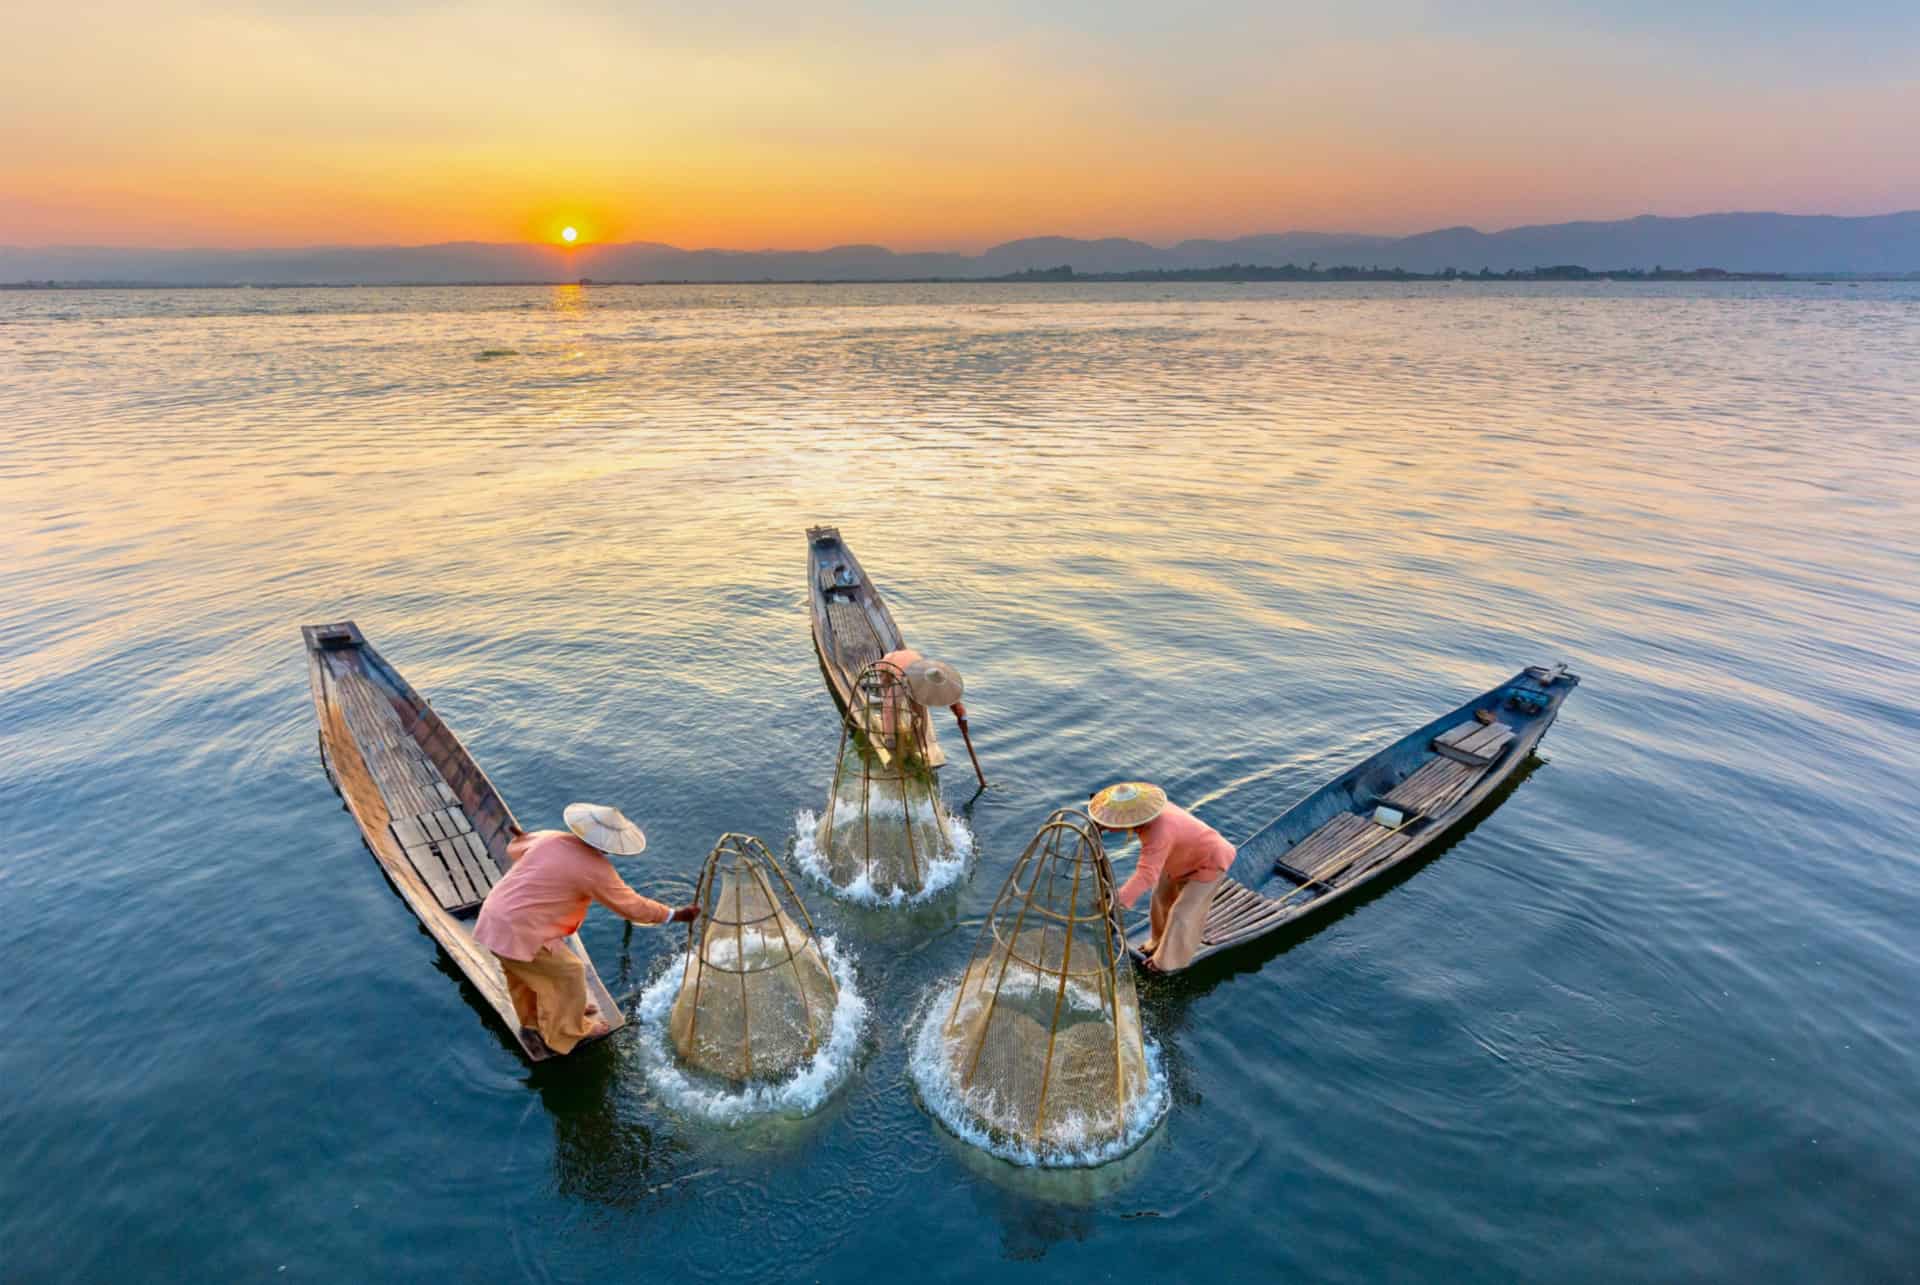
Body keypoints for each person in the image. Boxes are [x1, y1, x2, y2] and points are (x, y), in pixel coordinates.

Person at [473, 802, 699, 1055]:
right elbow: (632, 906)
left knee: (524, 974)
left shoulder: (552, 838)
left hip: (494, 916)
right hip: (519, 929)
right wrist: (675, 914)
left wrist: (524, 838)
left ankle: (537, 1019)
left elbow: (518, 846)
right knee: (569, 972)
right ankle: (568, 1033)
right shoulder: (596, 870)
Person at [1089, 782, 1235, 973]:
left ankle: (1166, 962)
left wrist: (1118, 899)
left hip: (1210, 861)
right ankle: (1157, 940)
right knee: (1160, 897)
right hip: (1179, 857)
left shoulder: (1158, 832)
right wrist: (1102, 823)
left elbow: (1146, 875)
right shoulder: (1144, 811)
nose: (1110, 822)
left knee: (1182, 913)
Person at [874, 647, 967, 759]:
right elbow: (889, 706)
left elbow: (956, 705)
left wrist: (962, 719)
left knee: (920, 711)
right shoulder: (898, 672)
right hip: (895, 668)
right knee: (892, 702)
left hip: (915, 664)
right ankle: (890, 737)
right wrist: (890, 738)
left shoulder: (940, 681)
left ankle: (917, 744)